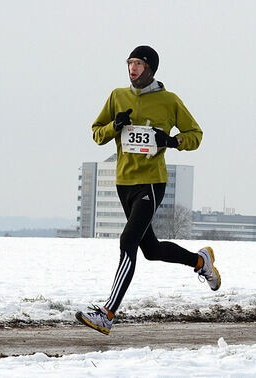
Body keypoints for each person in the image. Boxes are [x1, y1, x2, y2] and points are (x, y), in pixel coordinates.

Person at [75, 45, 217, 335]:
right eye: (130, 63)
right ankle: (201, 261)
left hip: (152, 182)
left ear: (150, 68)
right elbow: (97, 133)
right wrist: (114, 126)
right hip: (124, 182)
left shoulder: (169, 100)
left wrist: (172, 141)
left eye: (138, 63)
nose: (132, 68)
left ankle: (108, 314)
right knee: (150, 249)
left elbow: (196, 135)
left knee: (128, 240)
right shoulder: (117, 96)